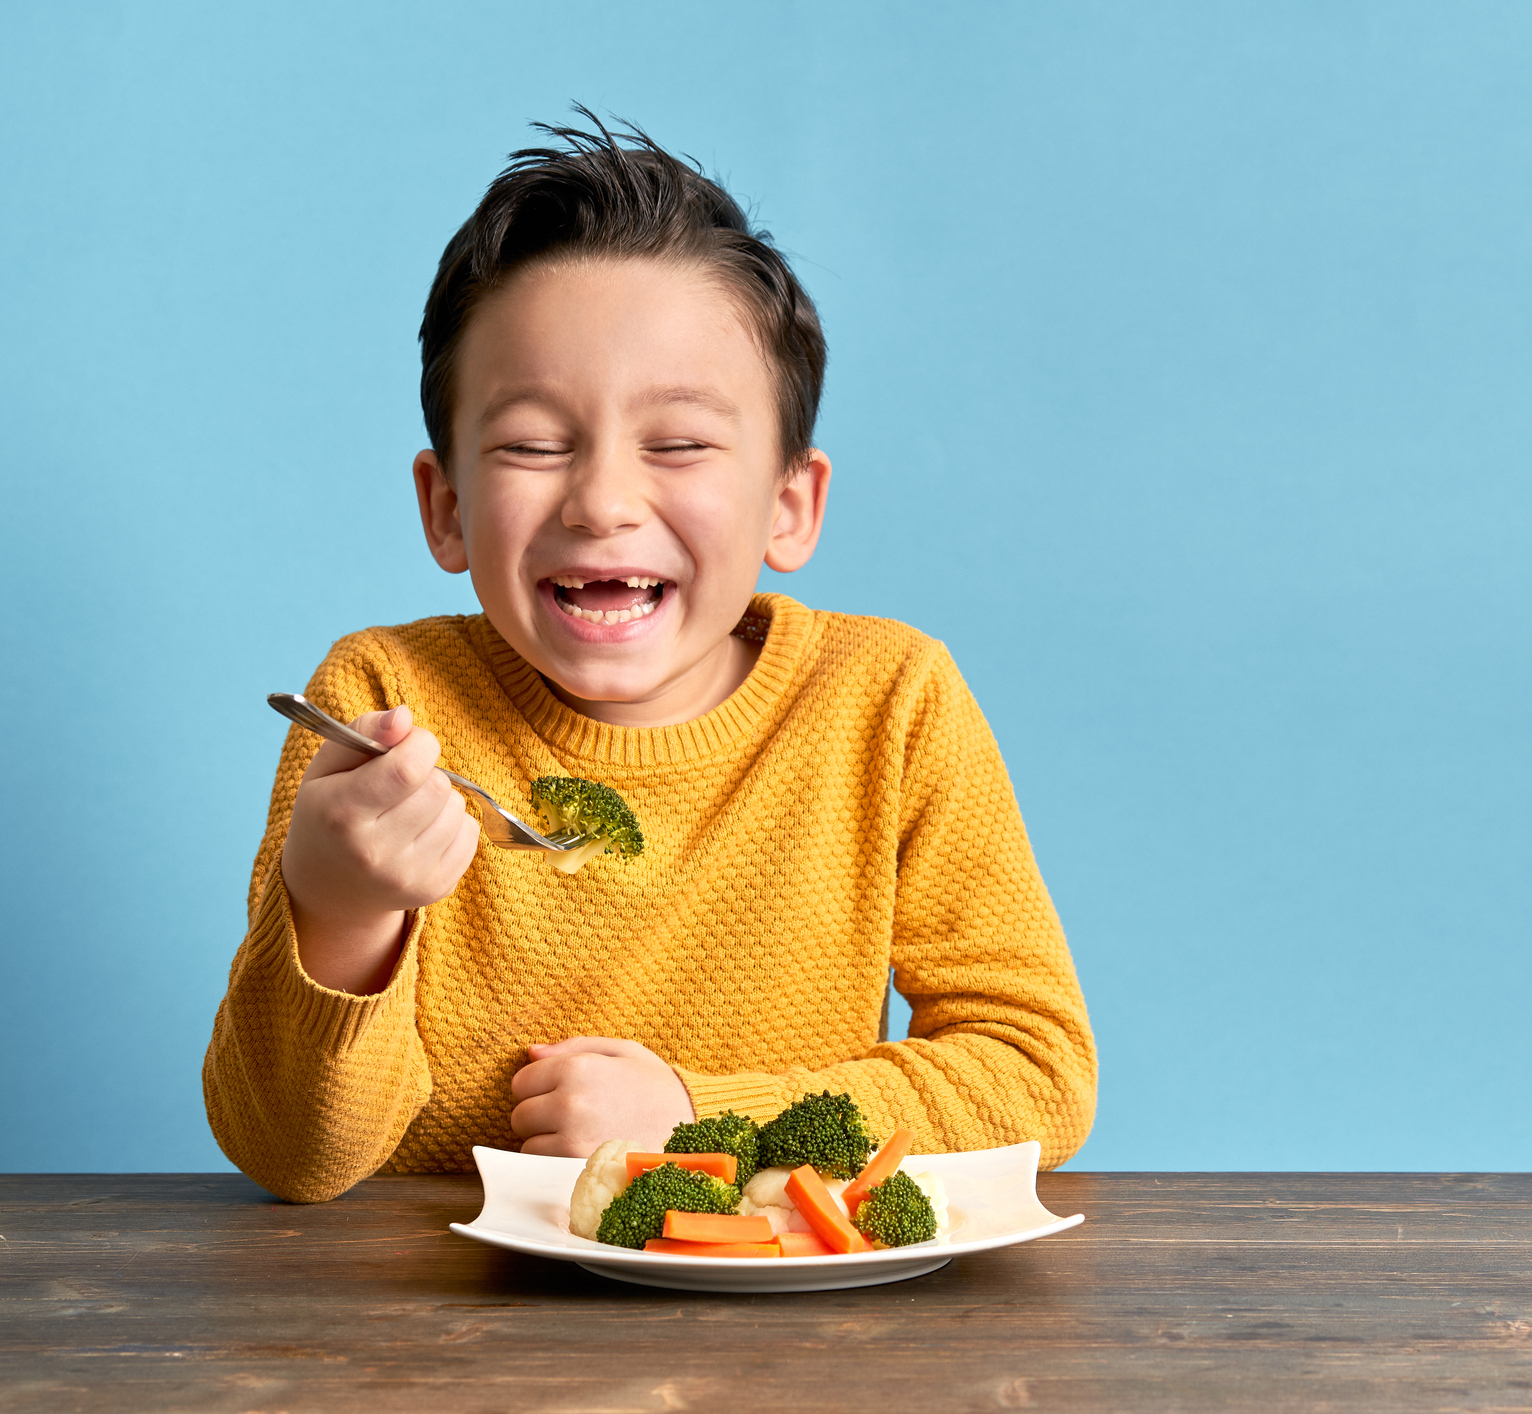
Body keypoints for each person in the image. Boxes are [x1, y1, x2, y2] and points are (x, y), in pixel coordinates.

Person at [203, 113, 1096, 1203]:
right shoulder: (383, 703)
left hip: (777, 1329)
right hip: (435, 1331)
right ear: (446, 509)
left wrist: (696, 1116)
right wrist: (338, 911)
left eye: (677, 444)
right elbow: (295, 1159)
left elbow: (1036, 1073)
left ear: (788, 505)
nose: (603, 502)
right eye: (533, 445)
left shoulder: (889, 701)